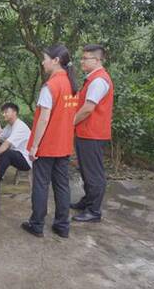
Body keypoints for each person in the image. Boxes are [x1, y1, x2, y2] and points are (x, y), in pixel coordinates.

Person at [22, 44, 79, 239]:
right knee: (62, 185)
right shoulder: (72, 85)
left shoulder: (51, 86)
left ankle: (37, 224)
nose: (43, 61)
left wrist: (35, 145)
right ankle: (62, 225)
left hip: (47, 145)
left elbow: (44, 118)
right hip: (64, 145)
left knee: (40, 185)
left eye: (45, 58)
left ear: (55, 61)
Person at [71, 44, 114, 223]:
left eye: (85, 58)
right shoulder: (92, 79)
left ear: (97, 60)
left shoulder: (98, 80)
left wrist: (68, 123)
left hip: (93, 134)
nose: (81, 61)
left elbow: (88, 109)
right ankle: (87, 201)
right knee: (86, 170)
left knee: (93, 173)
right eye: (81, 58)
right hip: (86, 133)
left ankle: (94, 211)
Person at [0, 103, 32, 181]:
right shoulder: (9, 126)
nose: (3, 114)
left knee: (7, 153)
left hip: (25, 160)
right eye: (3, 112)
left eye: (6, 112)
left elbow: (6, 144)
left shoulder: (20, 126)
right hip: (16, 154)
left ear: (14, 112)